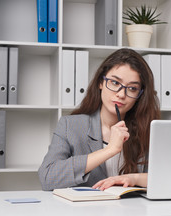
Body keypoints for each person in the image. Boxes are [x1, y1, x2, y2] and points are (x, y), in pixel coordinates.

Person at [38, 48, 160, 191]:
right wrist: (109, 150)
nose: (121, 94)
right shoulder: (70, 126)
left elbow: (170, 177)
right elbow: (47, 177)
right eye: (115, 83)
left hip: (134, 210)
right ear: (100, 83)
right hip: (88, 211)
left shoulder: (148, 130)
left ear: (140, 95)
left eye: (132, 88)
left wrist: (134, 178)